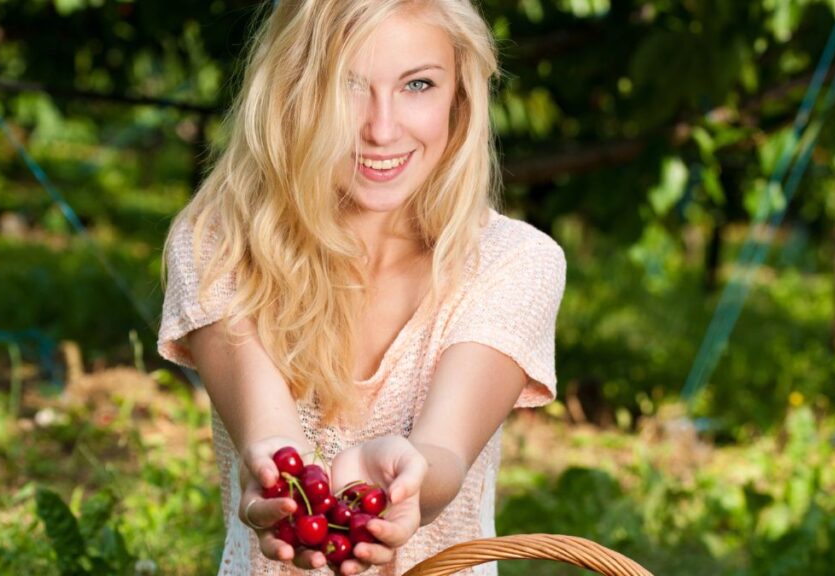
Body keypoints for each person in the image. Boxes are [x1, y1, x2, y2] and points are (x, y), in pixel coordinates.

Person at [157, 0, 566, 574]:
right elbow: (270, 438)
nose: (381, 128)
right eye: (346, 85)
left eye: (418, 84)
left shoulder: (515, 261)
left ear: (460, 96)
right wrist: (277, 479)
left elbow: (445, 454)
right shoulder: (217, 244)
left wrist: (406, 482)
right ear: (294, 92)